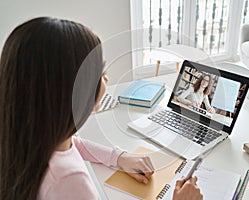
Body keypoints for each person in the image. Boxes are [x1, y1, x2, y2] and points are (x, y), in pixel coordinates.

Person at [0, 17, 203, 200]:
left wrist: (118, 157)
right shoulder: (69, 182)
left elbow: (73, 145)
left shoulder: (27, 139)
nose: (106, 78)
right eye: (101, 71)